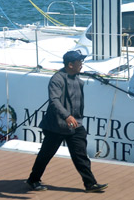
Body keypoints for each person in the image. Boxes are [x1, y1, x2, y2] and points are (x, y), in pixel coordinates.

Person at [26, 50, 107, 193]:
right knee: (45, 155)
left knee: (80, 155)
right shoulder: (57, 79)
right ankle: (33, 180)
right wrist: (67, 116)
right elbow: (54, 101)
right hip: (56, 126)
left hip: (75, 125)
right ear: (70, 64)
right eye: (79, 62)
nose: (82, 64)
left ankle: (90, 184)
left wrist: (76, 119)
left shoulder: (78, 79)